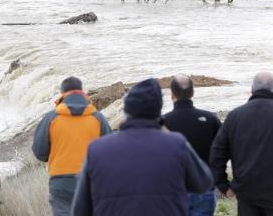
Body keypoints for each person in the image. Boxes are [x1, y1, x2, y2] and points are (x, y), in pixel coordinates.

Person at [72, 78, 213, 216]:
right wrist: (169, 133)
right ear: (158, 111)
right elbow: (204, 182)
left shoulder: (96, 149)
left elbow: (79, 210)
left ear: (126, 110)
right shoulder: (176, 145)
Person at [32, 76, 111, 216]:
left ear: (63, 94)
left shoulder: (51, 118)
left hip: (61, 183)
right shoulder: (98, 118)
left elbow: (39, 152)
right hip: (91, 183)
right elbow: (110, 153)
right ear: (82, 93)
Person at [210, 72, 273, 216]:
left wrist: (224, 186)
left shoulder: (235, 116)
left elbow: (217, 154)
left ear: (252, 89)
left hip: (246, 194)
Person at [163, 74, 222, 216]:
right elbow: (224, 150)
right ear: (193, 93)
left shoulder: (163, 122)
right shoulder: (210, 119)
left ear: (171, 95)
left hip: (173, 189)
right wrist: (222, 181)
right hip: (203, 187)